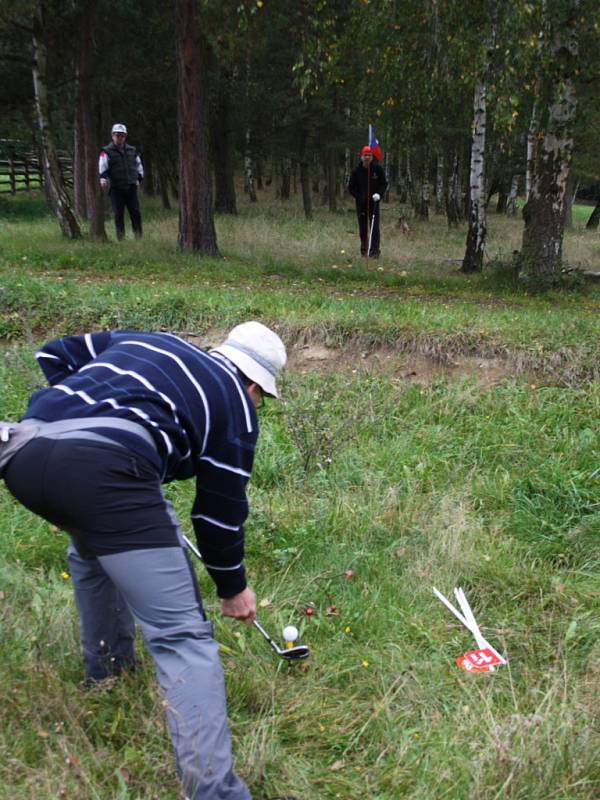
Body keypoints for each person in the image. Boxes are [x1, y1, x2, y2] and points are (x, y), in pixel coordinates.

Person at [0, 321, 289, 800]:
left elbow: (54, 355)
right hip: (102, 466)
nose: (259, 405)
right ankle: (216, 793)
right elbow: (218, 514)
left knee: (92, 552)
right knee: (182, 637)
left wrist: (81, 417)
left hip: (24, 450)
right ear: (255, 385)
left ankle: (108, 674)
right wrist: (233, 589)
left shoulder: (150, 339)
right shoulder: (236, 405)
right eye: (265, 398)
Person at [99, 123, 144, 240]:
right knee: (118, 214)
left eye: (122, 135)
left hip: (131, 187)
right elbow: (102, 166)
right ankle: (121, 238)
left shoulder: (132, 150)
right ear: (112, 136)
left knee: (135, 213)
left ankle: (138, 236)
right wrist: (102, 179)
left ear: (125, 136)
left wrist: (138, 179)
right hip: (116, 188)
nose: (120, 138)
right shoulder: (106, 151)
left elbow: (139, 165)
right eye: (117, 135)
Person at [348, 145, 388, 258]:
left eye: (369, 155)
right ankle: (364, 251)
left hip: (374, 204)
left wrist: (379, 194)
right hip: (361, 205)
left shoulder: (377, 169)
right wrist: (360, 197)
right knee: (363, 228)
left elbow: (384, 184)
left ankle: (375, 252)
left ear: (372, 157)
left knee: (374, 228)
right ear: (361, 156)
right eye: (365, 155)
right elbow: (351, 187)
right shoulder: (356, 171)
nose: (367, 157)